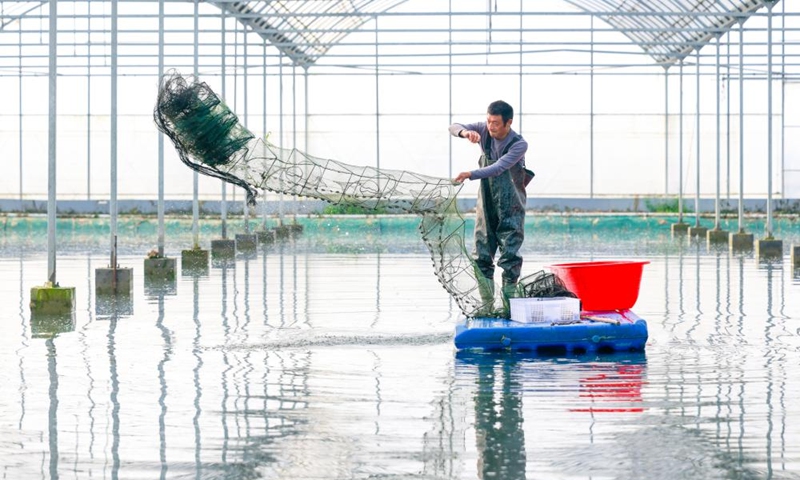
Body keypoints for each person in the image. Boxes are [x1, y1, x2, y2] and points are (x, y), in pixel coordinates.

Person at [449, 100, 529, 310]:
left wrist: (470, 174)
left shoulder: (519, 144)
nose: (490, 127)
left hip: (511, 207)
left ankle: (509, 306)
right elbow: (454, 126)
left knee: (510, 256)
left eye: (495, 123)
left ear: (508, 123)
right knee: (481, 255)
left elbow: (498, 168)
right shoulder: (484, 132)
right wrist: (466, 133)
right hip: (486, 205)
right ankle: (487, 305)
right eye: (488, 121)